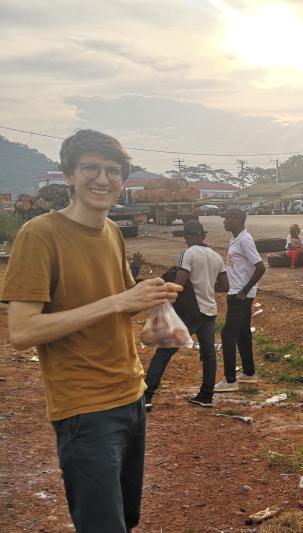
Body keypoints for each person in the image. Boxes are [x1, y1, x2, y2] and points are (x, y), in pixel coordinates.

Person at [1, 130, 181, 532]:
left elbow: (112, 307)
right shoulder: (40, 235)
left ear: (123, 180)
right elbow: (23, 330)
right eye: (91, 168)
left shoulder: (112, 231)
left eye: (113, 171)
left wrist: (148, 300)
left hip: (131, 395)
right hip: (85, 407)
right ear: (68, 175)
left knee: (126, 519)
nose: (103, 179)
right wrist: (118, 301)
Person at [143, 220, 228, 409]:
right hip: (209, 311)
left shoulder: (187, 253)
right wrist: (205, 285)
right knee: (209, 355)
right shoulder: (216, 256)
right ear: (203, 235)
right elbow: (225, 286)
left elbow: (180, 283)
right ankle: (206, 396)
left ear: (186, 236)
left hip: (190, 312)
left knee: (164, 352)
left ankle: (146, 397)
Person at [216, 208, 266, 392]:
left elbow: (260, 267)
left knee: (228, 334)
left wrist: (245, 290)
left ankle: (230, 381)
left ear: (237, 219)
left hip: (240, 295)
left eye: (227, 218)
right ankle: (249, 373)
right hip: (236, 293)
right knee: (243, 333)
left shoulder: (245, 239)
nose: (225, 222)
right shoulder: (235, 239)